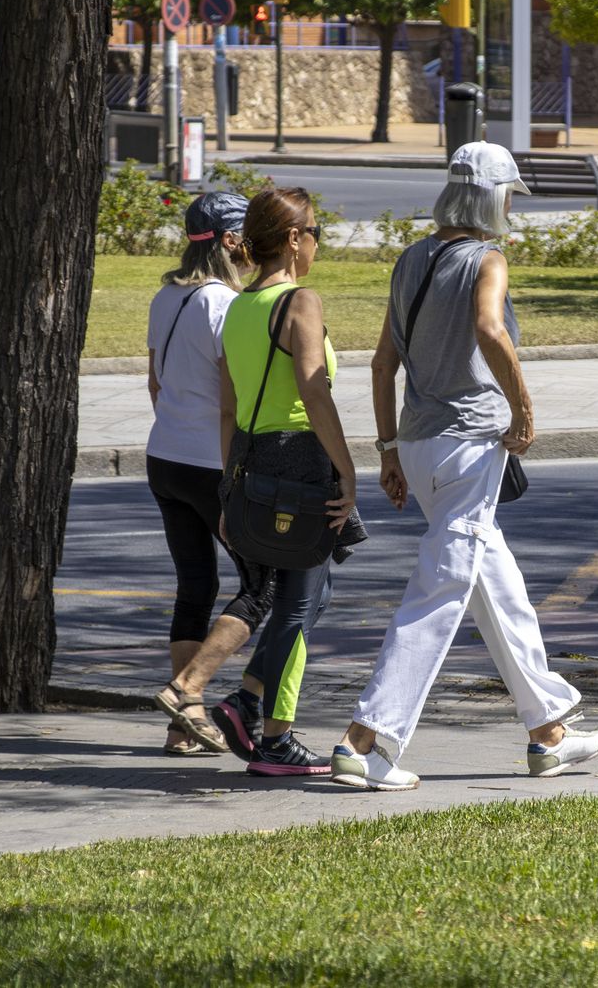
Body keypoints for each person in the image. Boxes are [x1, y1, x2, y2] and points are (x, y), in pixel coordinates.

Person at [329, 142, 598, 792]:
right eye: (509, 194)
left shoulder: (411, 260)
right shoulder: (488, 258)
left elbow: (381, 365)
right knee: (440, 591)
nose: (512, 205)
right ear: (491, 197)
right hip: (470, 445)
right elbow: (490, 329)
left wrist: (390, 450)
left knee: (495, 583)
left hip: (423, 447)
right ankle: (365, 741)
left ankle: (549, 733)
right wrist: (524, 410)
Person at [209, 187, 364, 777]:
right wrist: (345, 470)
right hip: (302, 462)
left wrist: (230, 484)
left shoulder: (238, 308)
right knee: (301, 602)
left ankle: (250, 703)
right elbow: (313, 388)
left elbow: (227, 409)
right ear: (294, 239)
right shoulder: (300, 301)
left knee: (310, 595)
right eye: (316, 233)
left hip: (252, 461)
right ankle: (272, 732)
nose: (318, 244)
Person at [147, 193, 273, 756]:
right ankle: (186, 689)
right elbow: (235, 393)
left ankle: (184, 727)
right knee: (263, 583)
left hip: (165, 457)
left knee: (195, 586)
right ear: (228, 241)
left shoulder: (166, 295)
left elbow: (156, 383)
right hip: (209, 463)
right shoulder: (222, 303)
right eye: (246, 234)